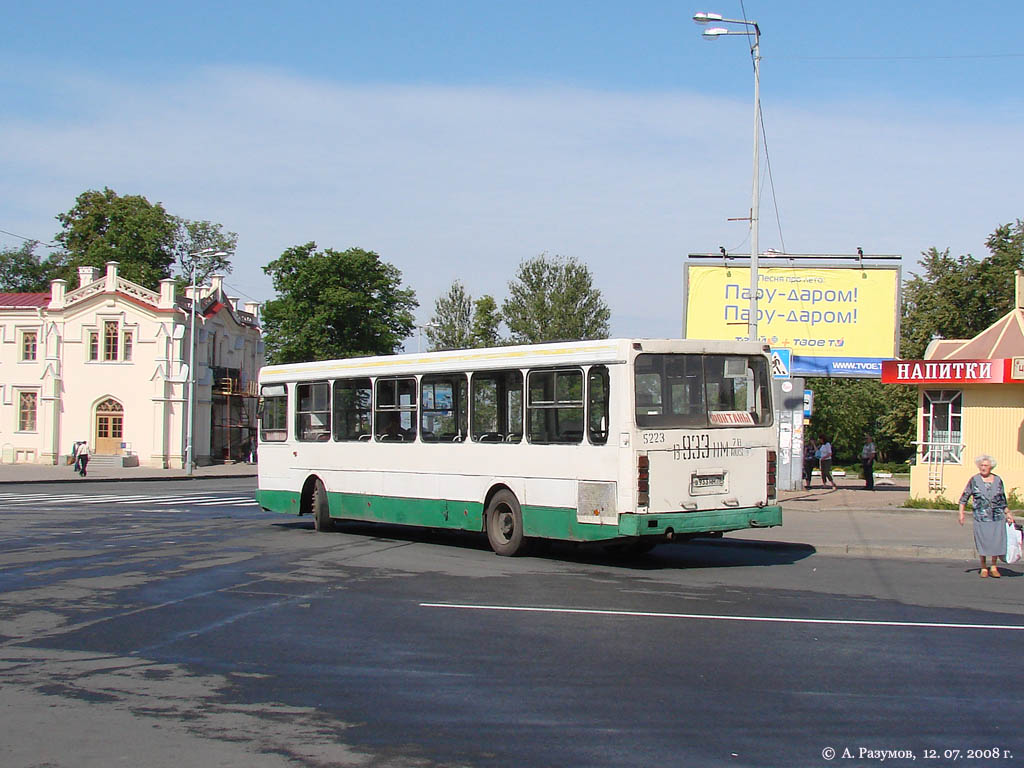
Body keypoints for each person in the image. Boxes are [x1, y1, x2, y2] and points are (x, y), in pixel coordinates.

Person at [958, 454, 1015, 578]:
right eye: (981, 465)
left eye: (986, 465)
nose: (983, 468)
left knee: (996, 542)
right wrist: (961, 513)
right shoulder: (974, 480)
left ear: (991, 467)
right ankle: (983, 566)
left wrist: (1008, 513)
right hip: (981, 517)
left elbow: (1002, 500)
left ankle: (993, 566)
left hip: (997, 516)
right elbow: (964, 497)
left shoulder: (998, 480)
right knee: (983, 541)